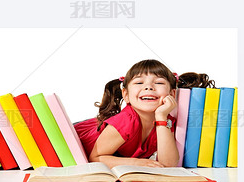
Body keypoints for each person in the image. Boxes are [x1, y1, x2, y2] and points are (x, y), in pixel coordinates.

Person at [74, 59, 215, 169]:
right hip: (79, 137)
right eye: (139, 82)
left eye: (159, 82)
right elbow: (96, 158)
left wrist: (161, 117)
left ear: (172, 94)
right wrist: (136, 163)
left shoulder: (166, 121)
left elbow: (169, 164)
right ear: (126, 95)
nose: (148, 87)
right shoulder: (126, 121)